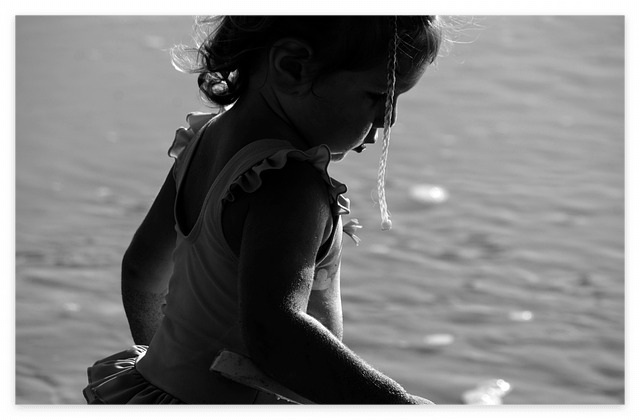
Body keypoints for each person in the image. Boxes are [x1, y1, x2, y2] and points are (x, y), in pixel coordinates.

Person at [83, 16, 443, 404]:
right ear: (292, 66)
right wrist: (396, 404)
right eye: (379, 95)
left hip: (159, 387)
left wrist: (171, 373)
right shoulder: (290, 183)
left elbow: (142, 270)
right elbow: (276, 333)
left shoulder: (205, 140)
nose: (389, 119)